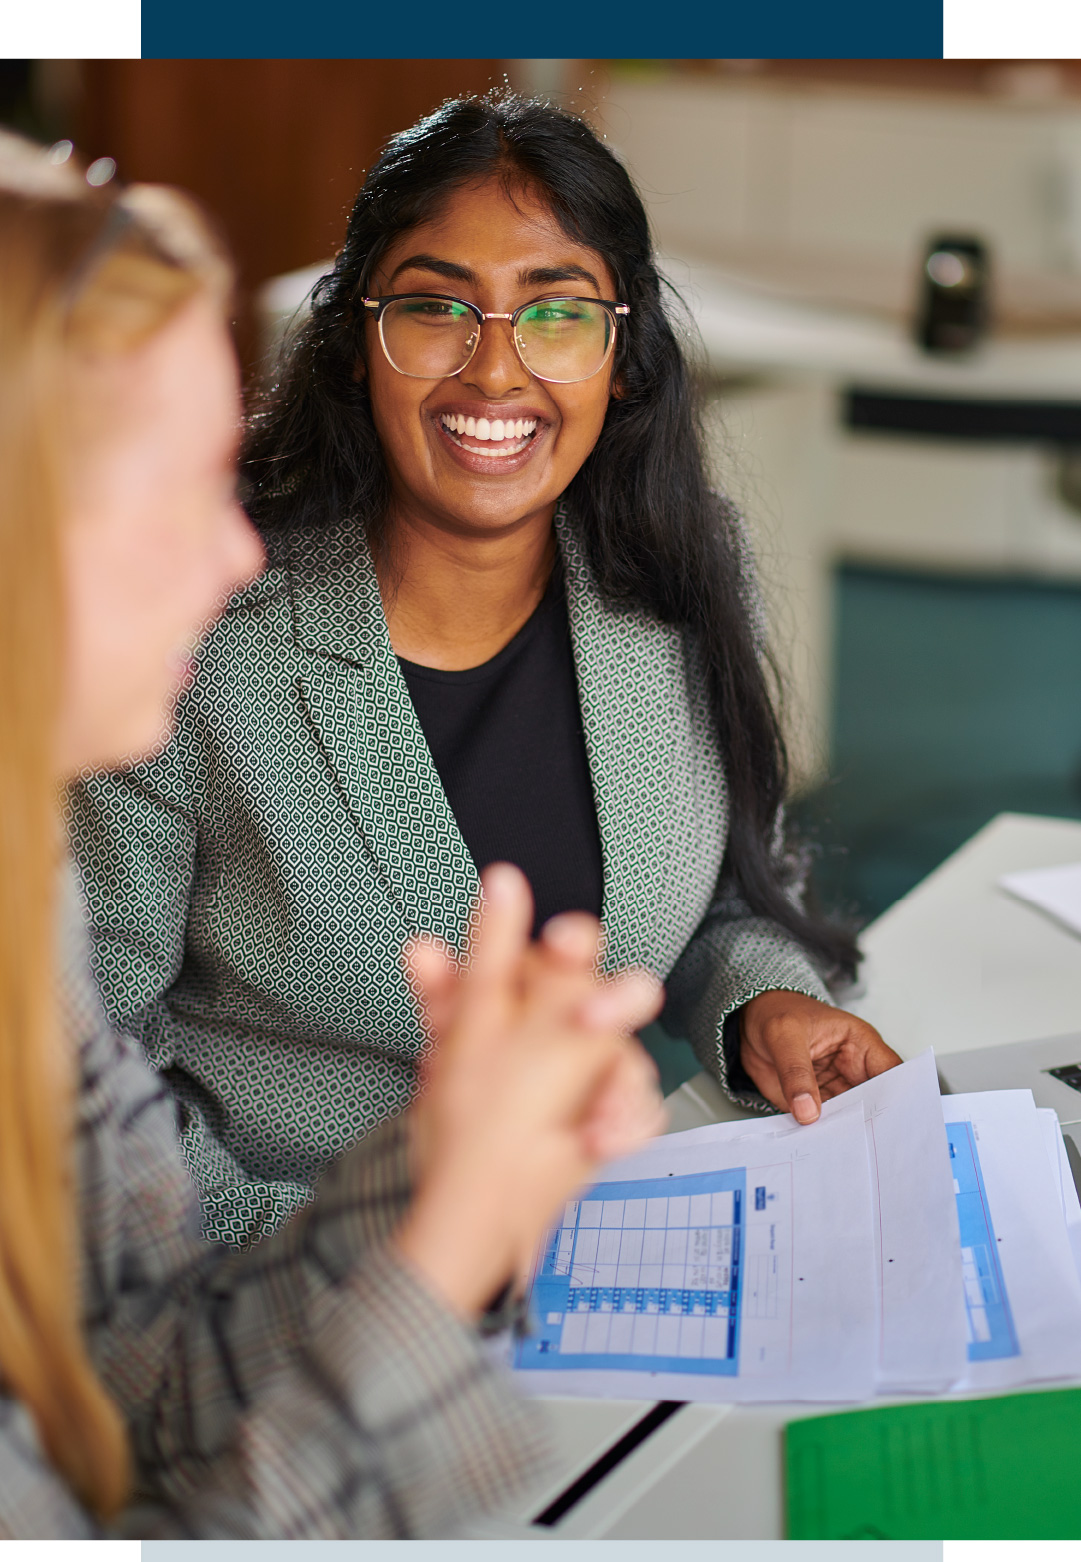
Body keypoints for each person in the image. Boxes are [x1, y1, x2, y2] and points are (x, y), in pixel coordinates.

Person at [69, 92, 901, 1252]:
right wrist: (373, 1261)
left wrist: (759, 997)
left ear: (622, 354)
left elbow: (716, 889)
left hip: (592, 1245)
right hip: (276, 1294)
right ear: (360, 343)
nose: (494, 369)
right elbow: (71, 1072)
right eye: (434, 307)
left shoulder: (671, 585)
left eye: (554, 313)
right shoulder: (192, 647)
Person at [0, 130, 665, 1537]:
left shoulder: (24, 900)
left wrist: (448, 1160)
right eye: (173, 489)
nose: (234, 551)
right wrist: (447, 1250)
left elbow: (152, 1370)